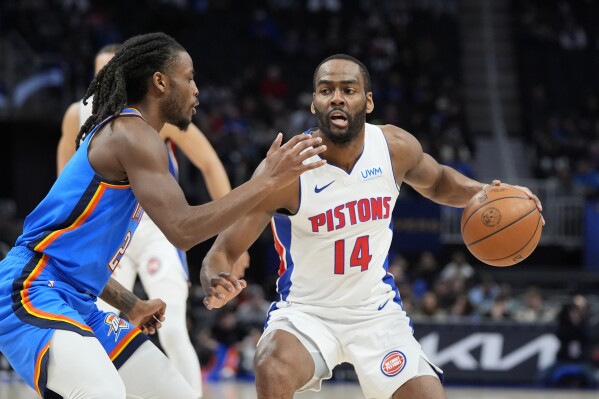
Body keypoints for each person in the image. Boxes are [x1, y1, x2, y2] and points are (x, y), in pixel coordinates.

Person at [0, 32, 326, 399]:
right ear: (160, 82)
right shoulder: (131, 134)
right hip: (30, 290)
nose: (197, 90)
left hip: (78, 296)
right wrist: (264, 180)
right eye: (189, 78)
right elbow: (182, 230)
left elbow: (73, 258)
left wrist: (131, 303)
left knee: (177, 395)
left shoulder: (138, 136)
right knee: (101, 391)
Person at [200, 54, 544, 399]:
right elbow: (223, 251)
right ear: (313, 103)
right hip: (307, 313)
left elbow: (439, 182)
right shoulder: (285, 170)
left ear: (367, 101)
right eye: (326, 90)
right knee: (271, 364)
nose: (336, 97)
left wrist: (488, 193)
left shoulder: (393, 148)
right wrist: (216, 281)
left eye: (348, 89)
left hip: (375, 313)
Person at [58, 43, 233, 399]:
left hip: (156, 232)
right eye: (100, 72)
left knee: (170, 329)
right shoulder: (77, 115)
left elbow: (210, 164)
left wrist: (231, 237)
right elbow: (64, 186)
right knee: (106, 327)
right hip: (109, 239)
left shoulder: (151, 116)